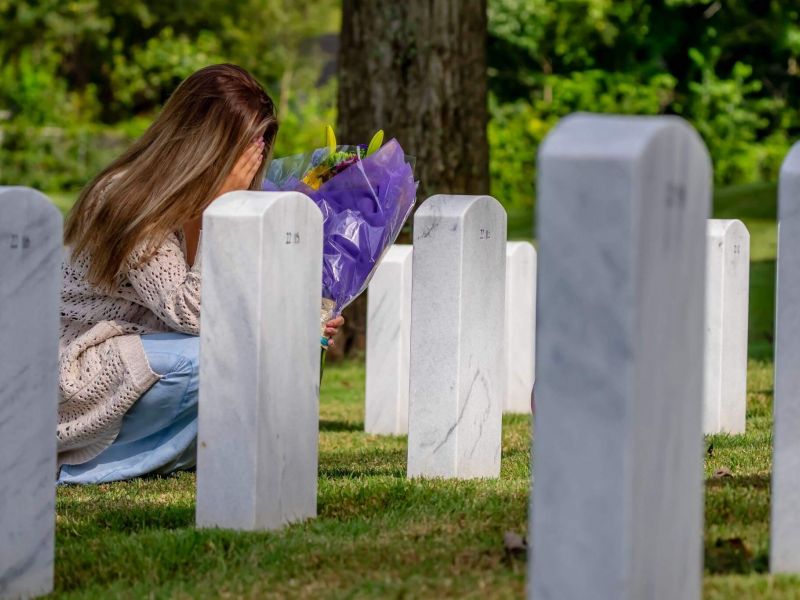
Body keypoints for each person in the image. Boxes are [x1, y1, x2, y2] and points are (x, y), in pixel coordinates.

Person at [57, 64, 343, 484]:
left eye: (262, 143)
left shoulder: (229, 203)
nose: (255, 160)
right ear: (205, 141)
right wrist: (221, 205)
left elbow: (241, 307)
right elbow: (193, 315)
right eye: (246, 146)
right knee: (224, 359)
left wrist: (299, 322)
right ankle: (82, 465)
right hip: (82, 368)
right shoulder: (127, 197)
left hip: (151, 359)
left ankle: (182, 454)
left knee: (257, 357)